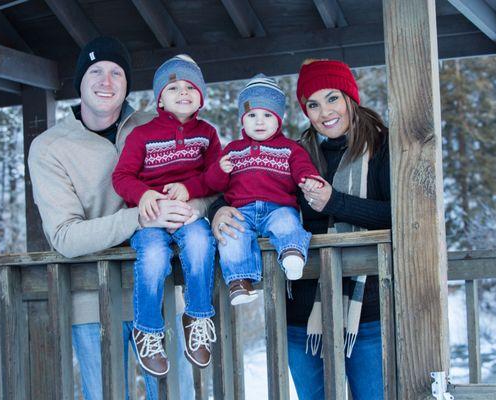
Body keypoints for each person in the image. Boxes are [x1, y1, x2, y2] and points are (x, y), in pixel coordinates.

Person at [28, 37, 205, 400]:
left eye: (116, 73)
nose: (106, 82)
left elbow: (209, 179)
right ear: (80, 80)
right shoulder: (50, 146)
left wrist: (195, 208)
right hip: (93, 299)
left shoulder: (158, 124)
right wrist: (143, 218)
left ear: (128, 84)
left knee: (177, 395)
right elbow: (64, 236)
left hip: (160, 291)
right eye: (95, 72)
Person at [210, 60, 391, 400]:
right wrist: (218, 211)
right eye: (313, 104)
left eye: (332, 98)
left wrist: (335, 202)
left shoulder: (381, 149)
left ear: (351, 97)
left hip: (366, 311)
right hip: (303, 313)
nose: (325, 112)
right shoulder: (294, 153)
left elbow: (398, 217)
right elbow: (244, 191)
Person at [112, 54, 220, 377]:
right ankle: (148, 329)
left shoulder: (208, 134)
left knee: (202, 243)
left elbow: (218, 177)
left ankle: (198, 317)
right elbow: (121, 177)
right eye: (174, 88)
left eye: (190, 87)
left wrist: (190, 188)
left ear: (201, 94)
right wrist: (143, 194)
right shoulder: (142, 135)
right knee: (155, 256)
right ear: (160, 97)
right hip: (151, 218)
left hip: (189, 215)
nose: (183, 93)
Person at [204, 74, 323, 305]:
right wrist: (220, 170)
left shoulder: (290, 149)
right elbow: (214, 186)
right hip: (241, 211)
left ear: (278, 119)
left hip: (277, 207)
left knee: (286, 224)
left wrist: (309, 179)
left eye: (267, 115)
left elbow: (302, 168)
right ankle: (239, 281)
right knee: (231, 236)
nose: (259, 122)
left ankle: (292, 253)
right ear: (242, 119)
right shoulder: (233, 150)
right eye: (252, 115)